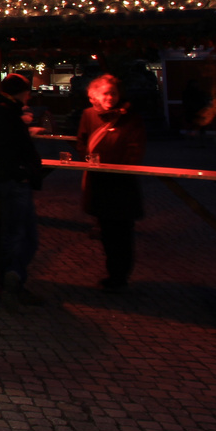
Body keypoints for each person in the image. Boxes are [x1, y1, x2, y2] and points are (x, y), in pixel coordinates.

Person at [76, 74, 147, 293]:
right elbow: (82, 142)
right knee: (106, 230)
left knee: (122, 232)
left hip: (121, 184)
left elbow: (136, 148)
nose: (110, 97)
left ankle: (120, 275)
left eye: (114, 93)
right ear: (95, 95)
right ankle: (113, 273)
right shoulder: (88, 115)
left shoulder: (130, 117)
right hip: (99, 182)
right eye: (106, 93)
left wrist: (120, 167)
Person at [0, 73, 46, 310]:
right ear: (21, 92)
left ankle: (14, 277)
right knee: (19, 233)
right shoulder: (7, 110)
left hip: (13, 177)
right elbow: (9, 144)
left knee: (23, 233)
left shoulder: (3, 108)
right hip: (14, 179)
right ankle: (12, 280)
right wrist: (23, 170)